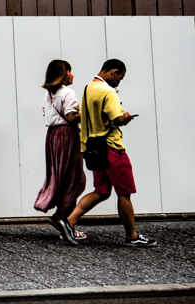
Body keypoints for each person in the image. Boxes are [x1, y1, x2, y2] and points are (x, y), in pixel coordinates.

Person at [61, 58, 157, 247]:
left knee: (102, 190)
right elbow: (118, 119)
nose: (119, 81)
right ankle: (132, 236)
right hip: (112, 147)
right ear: (113, 71)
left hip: (94, 148)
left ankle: (69, 221)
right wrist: (126, 116)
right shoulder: (108, 91)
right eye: (120, 77)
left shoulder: (89, 88)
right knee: (124, 192)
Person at [33, 59, 86, 242]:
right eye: (69, 71)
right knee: (75, 179)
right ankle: (64, 221)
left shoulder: (48, 96)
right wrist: (90, 112)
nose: (72, 75)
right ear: (63, 74)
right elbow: (71, 117)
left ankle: (62, 217)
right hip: (67, 136)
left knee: (62, 177)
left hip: (52, 137)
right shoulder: (68, 93)